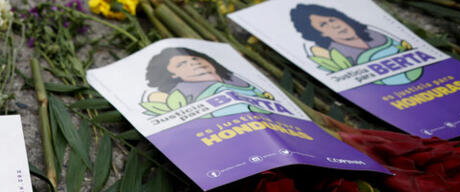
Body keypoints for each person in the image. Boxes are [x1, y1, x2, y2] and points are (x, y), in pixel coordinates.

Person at [290, 4, 418, 85]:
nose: (334, 25)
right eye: (324, 25)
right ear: (320, 34)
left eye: (332, 19)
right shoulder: (337, 57)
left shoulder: (376, 34)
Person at [142, 47, 273, 117]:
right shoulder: (181, 95)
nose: (194, 63)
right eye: (182, 64)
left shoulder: (236, 80)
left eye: (194, 58)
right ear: (173, 75)